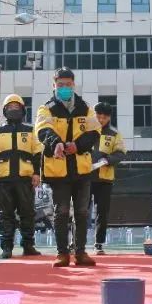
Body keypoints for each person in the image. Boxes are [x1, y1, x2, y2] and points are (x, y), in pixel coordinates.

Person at [34, 67, 101, 268]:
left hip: (81, 169)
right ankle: (62, 253)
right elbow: (42, 129)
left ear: (74, 85)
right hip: (58, 170)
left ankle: (80, 252)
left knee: (82, 212)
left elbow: (95, 131)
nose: (64, 88)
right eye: (60, 85)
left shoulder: (85, 108)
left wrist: (77, 145)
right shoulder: (46, 108)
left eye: (68, 84)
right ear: (54, 86)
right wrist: (56, 143)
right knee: (61, 211)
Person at [0, 95, 44, 259]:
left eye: (17, 107)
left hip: (25, 179)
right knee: (5, 214)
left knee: (28, 213)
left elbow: (37, 153)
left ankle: (28, 245)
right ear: (5, 111)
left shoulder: (31, 130)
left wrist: (37, 173)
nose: (13, 110)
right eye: (10, 107)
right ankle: (6, 247)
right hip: (3, 179)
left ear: (23, 110)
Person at [89, 101, 126, 255]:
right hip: (84, 177)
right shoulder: (85, 130)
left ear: (109, 117)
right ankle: (75, 243)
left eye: (105, 117)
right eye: (99, 116)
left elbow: (121, 153)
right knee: (79, 211)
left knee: (102, 212)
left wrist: (107, 160)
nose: (101, 119)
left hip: (104, 179)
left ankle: (99, 243)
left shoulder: (114, 134)